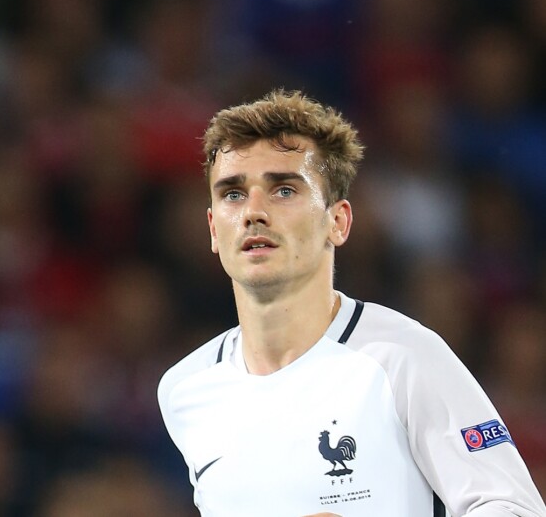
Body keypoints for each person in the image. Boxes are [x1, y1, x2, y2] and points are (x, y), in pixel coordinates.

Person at [158, 90, 546, 517]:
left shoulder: (402, 358)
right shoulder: (184, 389)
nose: (253, 212)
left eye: (283, 190)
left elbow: (515, 509)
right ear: (214, 229)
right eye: (232, 194)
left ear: (337, 221)